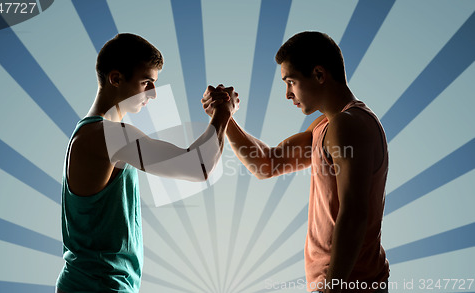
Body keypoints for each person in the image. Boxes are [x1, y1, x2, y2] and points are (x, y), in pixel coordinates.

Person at [202, 31, 389, 293]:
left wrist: (331, 288)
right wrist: (226, 115)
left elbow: (354, 214)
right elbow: (267, 164)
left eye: (291, 82)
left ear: (319, 75)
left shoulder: (348, 125)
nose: (288, 94)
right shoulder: (326, 126)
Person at [56, 33, 238, 293]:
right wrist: (223, 112)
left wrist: (219, 115)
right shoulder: (106, 135)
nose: (153, 94)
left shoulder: (96, 134)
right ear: (116, 79)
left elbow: (194, 160)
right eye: (146, 83)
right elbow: (198, 166)